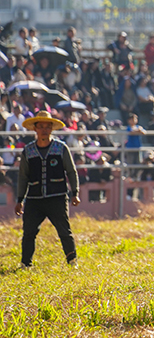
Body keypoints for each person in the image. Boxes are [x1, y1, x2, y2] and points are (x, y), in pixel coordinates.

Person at [14, 111, 81, 268]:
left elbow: (71, 171)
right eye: (41, 127)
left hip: (57, 197)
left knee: (64, 230)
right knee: (29, 232)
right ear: (35, 129)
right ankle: (25, 263)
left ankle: (72, 261)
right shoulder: (28, 151)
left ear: (51, 129)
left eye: (47, 127)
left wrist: (75, 193)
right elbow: (23, 177)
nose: (44, 130)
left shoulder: (61, 148)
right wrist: (20, 200)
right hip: (34, 199)